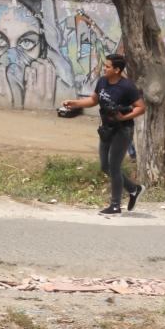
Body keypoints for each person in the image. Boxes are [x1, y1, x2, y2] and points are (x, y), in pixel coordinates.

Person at [60, 54, 146, 215]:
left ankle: (115, 205)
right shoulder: (102, 82)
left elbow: (141, 107)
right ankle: (134, 189)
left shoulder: (127, 87)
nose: (104, 68)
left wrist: (123, 117)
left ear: (117, 70)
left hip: (123, 130)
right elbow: (93, 100)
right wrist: (75, 103)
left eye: (107, 66)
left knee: (114, 166)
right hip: (106, 129)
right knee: (105, 166)